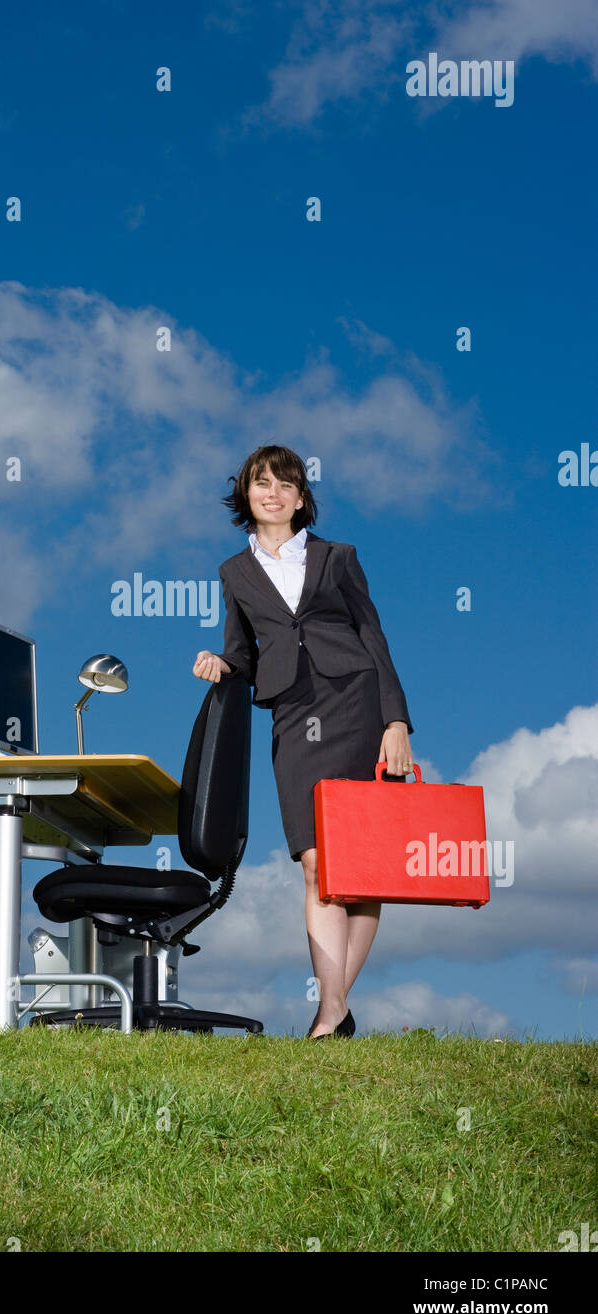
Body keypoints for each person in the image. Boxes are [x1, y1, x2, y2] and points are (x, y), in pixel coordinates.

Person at [192, 445, 415, 1039]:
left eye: (285, 484)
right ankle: (336, 1007)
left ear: (299, 495)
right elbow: (242, 650)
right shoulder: (232, 573)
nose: (274, 493)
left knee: (363, 869)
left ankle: (328, 1013)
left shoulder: (338, 557)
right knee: (316, 863)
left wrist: (396, 722)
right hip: (293, 714)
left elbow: (374, 637)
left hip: (356, 705)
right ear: (245, 495)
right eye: (261, 483)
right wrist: (221, 662)